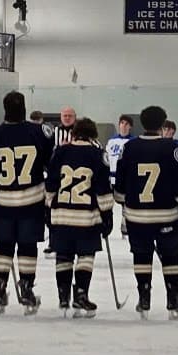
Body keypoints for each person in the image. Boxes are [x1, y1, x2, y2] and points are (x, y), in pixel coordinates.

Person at [117, 104, 178, 319]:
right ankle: (172, 298)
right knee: (170, 256)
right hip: (166, 215)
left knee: (141, 256)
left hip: (136, 216)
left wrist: (124, 201)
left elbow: (120, 185)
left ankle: (144, 297)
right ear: (162, 124)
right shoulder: (171, 148)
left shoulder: (129, 148)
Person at [0, 91, 53, 314]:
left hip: (4, 202)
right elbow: (50, 167)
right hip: (32, 201)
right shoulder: (39, 132)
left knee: (3, 246)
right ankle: (26, 289)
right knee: (27, 246)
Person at [44, 117, 113, 318]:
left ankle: (63, 295)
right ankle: (81, 293)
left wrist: (48, 208)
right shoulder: (97, 154)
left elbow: (51, 184)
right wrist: (107, 214)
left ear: (73, 133)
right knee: (85, 255)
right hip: (86, 217)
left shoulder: (60, 152)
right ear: (93, 135)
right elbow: (102, 188)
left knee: (63, 255)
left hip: (61, 214)